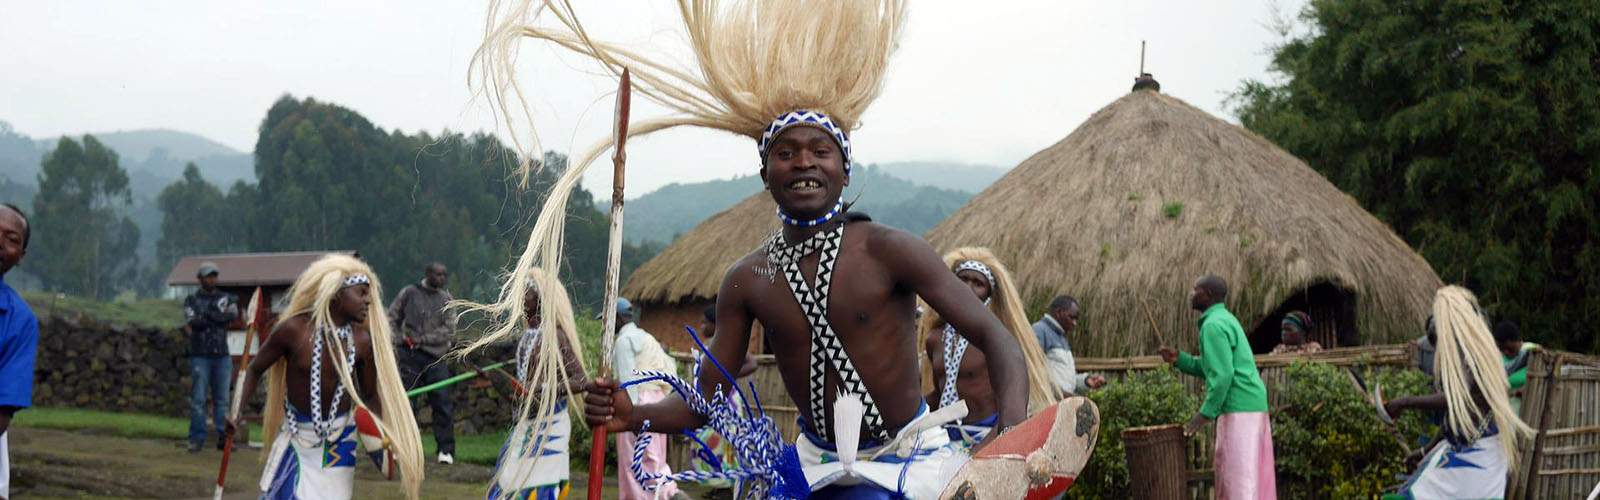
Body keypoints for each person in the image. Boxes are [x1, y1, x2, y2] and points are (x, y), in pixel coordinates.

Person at [475, 2, 1028, 496]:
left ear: (844, 167)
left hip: (908, 466)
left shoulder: (890, 250)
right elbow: (705, 401)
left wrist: (1009, 441)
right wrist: (630, 411)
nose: (804, 162)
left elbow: (993, 336)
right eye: (786, 152)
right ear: (765, 172)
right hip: (810, 472)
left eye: (820, 150)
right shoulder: (749, 278)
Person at [228, 255, 424, 500]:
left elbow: (371, 395)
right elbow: (255, 368)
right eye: (361, 293)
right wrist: (236, 411)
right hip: (297, 435)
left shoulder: (362, 342)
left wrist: (384, 438)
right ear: (336, 293)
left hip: (339, 439)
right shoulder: (293, 331)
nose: (369, 301)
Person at [1380, 287, 1534, 499]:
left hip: (1478, 458)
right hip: (1473, 454)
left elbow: (1457, 398)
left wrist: (1404, 402)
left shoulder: (1473, 357)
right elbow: (1456, 418)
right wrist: (1426, 451)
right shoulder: (1470, 356)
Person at [921, 248, 1061, 449]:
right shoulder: (935, 339)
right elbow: (940, 392)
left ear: (989, 293)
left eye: (978, 283)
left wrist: (983, 451)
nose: (967, 288)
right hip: (945, 437)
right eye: (962, 279)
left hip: (988, 435)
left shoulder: (997, 342)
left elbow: (1011, 407)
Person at [1158, 275, 1276, 500]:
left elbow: (1222, 376)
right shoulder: (1225, 319)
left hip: (1239, 409)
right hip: (1252, 406)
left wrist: (1201, 416)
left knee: (1238, 481)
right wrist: (1179, 359)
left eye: (1196, 290)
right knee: (1254, 480)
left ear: (1208, 295)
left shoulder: (1212, 325)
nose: (1192, 294)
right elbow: (1214, 366)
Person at [475, 268, 588, 500]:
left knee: (533, 489)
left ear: (540, 298)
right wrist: (497, 381)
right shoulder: (530, 335)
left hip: (549, 426)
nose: (522, 298)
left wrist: (547, 391)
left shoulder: (555, 335)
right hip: (526, 424)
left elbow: (581, 380)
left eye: (527, 293)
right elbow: (524, 391)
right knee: (505, 484)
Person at [608, 298, 685, 499]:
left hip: (637, 402)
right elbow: (670, 371)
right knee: (655, 458)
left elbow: (627, 382)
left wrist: (630, 415)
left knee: (634, 461)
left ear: (616, 318)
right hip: (658, 402)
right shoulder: (648, 338)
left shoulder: (624, 341)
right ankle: (669, 492)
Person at [387, 262, 457, 464]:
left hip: (437, 357)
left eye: (444, 275)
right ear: (428, 274)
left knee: (442, 403)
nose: (442, 278)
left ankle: (446, 450)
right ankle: (402, 448)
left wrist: (423, 339)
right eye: (438, 274)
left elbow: (449, 329)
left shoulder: (446, 299)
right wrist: (399, 338)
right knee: (406, 402)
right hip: (409, 355)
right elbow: (392, 317)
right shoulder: (409, 293)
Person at [0, 204, 38, 500]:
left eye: (11, 239)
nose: (0, 243)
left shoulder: (19, 321)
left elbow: (3, 409)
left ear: (21, 257)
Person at [182, 261, 239, 453]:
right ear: (200, 279)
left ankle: (223, 438)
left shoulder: (225, 297)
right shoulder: (191, 300)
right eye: (208, 276)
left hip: (222, 355)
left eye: (214, 275)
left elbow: (232, 316)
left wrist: (207, 316)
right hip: (200, 355)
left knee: (222, 399)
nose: (212, 279)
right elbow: (193, 322)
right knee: (198, 398)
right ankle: (196, 438)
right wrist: (216, 317)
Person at [1032, 295, 1105, 395]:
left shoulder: (1062, 338)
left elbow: (1065, 379)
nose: (1075, 323)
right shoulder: (1039, 330)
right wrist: (1058, 393)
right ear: (1058, 313)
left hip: (1062, 404)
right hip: (1047, 405)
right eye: (1072, 317)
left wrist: (1086, 381)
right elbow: (1032, 372)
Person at [1494, 320, 1539, 415]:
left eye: (1510, 348)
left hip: (1531, 410)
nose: (1506, 352)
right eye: (1502, 349)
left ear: (1519, 341)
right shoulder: (1497, 358)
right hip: (1505, 410)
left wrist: (1523, 390)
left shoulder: (1533, 352)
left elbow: (1542, 382)